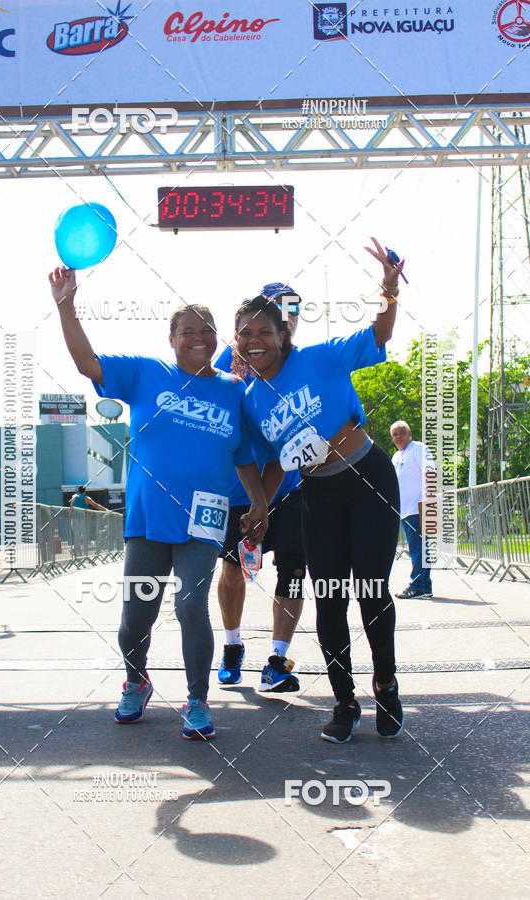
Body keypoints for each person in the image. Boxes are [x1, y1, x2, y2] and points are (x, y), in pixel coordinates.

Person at [49, 267, 268, 740]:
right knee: (136, 614)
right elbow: (87, 362)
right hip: (148, 513)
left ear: (216, 340)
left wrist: (259, 504)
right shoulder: (146, 373)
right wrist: (65, 304)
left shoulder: (233, 390)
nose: (197, 338)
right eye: (187, 331)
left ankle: (197, 701)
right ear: (171, 339)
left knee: (192, 605)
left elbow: (246, 456)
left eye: (205, 331)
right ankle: (136, 679)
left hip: (205, 513)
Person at [239, 238, 405, 743]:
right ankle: (344, 702)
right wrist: (260, 505)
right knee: (328, 598)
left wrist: (389, 286)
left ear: (283, 335)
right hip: (319, 495)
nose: (254, 341)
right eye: (245, 334)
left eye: (264, 331)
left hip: (368, 477)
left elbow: (380, 332)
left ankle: (386, 684)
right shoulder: (249, 400)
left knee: (371, 591)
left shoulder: (319, 359)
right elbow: (254, 459)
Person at [216, 283, 306, 692]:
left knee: (293, 570)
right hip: (241, 489)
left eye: (293, 309)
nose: (288, 315)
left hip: (290, 486)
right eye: (279, 307)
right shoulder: (235, 354)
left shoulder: (301, 360)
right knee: (234, 569)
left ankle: (276, 659)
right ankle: (232, 645)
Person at [390, 420, 435, 599]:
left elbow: (430, 472)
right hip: (405, 510)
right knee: (417, 548)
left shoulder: (418, 448)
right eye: (394, 434)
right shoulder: (396, 456)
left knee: (419, 549)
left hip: (420, 507)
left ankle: (417, 586)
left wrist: (429, 500)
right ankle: (425, 586)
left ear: (409, 434)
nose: (398, 437)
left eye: (401, 432)